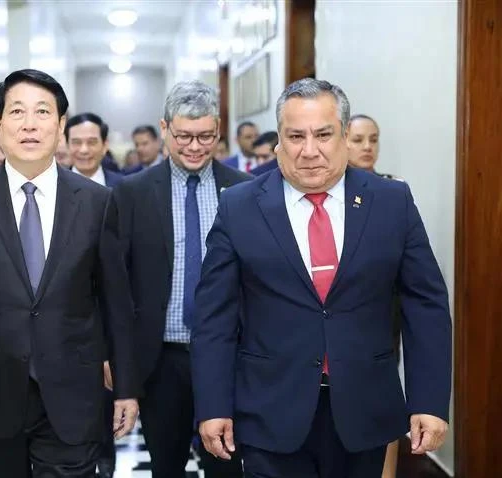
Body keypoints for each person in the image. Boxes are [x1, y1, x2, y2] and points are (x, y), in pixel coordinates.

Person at [191, 78, 451, 478]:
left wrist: (430, 401)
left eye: (323, 135)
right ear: (278, 140)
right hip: (270, 411)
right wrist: (213, 406)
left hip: (365, 409)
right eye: (295, 136)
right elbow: (214, 318)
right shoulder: (239, 207)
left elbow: (426, 306)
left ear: (345, 136)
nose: (309, 151)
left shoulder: (391, 202)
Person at [0, 69, 139, 478]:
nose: (30, 124)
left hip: (72, 392)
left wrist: (125, 387)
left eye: (42, 112)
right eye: (17, 112)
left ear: (61, 125)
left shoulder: (96, 202)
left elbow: (115, 303)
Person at [113, 80, 249, 478]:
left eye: (205, 136)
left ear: (219, 130)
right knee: (166, 464)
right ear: (165, 128)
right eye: (184, 136)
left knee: (226, 465)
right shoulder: (133, 192)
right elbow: (117, 281)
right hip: (162, 358)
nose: (194, 146)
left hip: (229, 354)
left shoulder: (242, 191)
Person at [64, 111, 123, 477]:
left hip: (107, 325)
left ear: (104, 145)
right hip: (62, 331)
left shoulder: (125, 189)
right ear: (65, 145)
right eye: (76, 142)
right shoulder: (48, 190)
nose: (84, 150)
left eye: (91, 142)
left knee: (104, 422)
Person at [346, 113, 403, 478]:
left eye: (374, 139)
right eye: (358, 139)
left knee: (382, 405)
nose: (368, 147)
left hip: (383, 315)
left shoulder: (394, 191)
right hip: (342, 314)